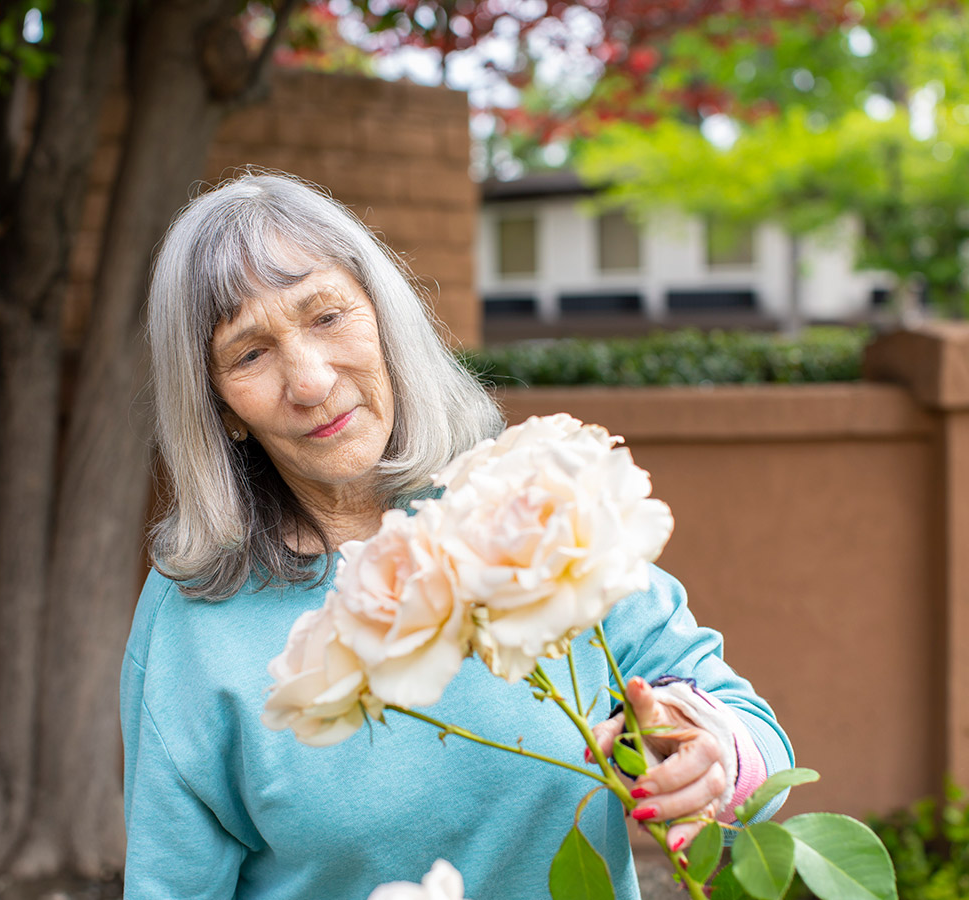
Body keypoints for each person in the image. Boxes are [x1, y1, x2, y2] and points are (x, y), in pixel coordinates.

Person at [121, 172, 792, 900]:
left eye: (327, 316)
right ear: (220, 406)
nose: (309, 380)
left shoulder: (525, 503)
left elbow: (750, 735)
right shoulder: (190, 626)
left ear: (383, 316)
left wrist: (711, 749)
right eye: (250, 354)